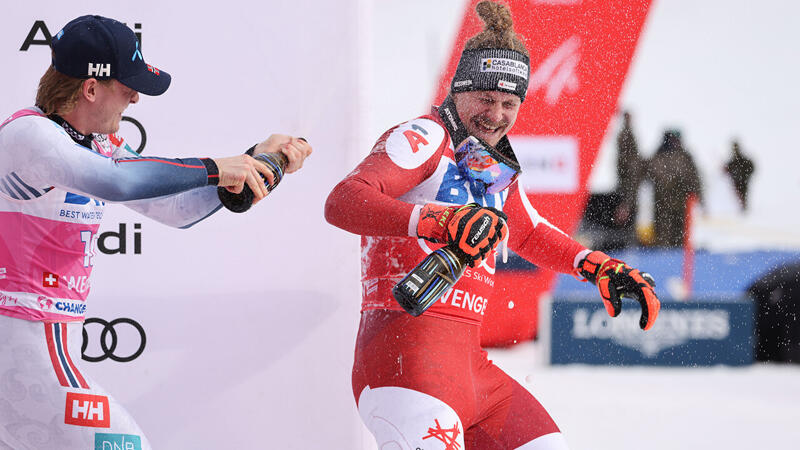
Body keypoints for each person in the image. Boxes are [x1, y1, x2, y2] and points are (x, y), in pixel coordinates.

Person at [325, 2, 659, 449]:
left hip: (474, 377)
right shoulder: (425, 137)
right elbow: (343, 201)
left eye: (509, 103)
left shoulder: (489, 164)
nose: (496, 115)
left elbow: (529, 233)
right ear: (458, 90)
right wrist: (437, 220)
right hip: (403, 369)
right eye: (485, 99)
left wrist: (596, 265)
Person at [0, 15, 311, 449]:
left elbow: (176, 209)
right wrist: (216, 168)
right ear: (90, 88)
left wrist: (251, 161)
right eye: (126, 86)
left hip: (40, 341)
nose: (134, 99)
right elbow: (118, 181)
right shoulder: (28, 134)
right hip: (22, 339)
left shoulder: (97, 143)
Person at [644, 129, 702, 247]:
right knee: (663, 234)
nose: (675, 142)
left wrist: (698, 195)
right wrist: (669, 182)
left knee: (680, 233)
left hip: (681, 201)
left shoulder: (685, 156)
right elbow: (652, 173)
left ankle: (677, 256)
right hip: (663, 202)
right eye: (672, 139)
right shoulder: (659, 156)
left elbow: (694, 177)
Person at [724, 139, 755, 211]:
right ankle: (741, 210)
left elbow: (751, 168)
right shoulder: (734, 160)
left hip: (742, 182)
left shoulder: (741, 160)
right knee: (738, 198)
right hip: (738, 182)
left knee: (741, 197)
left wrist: (746, 175)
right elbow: (727, 169)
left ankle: (743, 210)